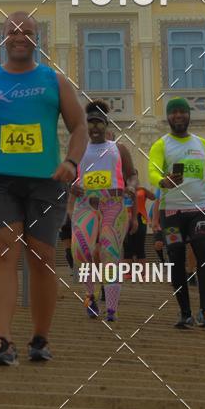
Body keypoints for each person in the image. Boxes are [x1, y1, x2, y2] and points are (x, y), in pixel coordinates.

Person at [0, 11, 88, 365]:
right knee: (1, 252)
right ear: (3, 38)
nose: (19, 37)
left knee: (42, 257)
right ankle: (2, 340)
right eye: (13, 32)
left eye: (26, 32)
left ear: (35, 39)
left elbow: (80, 127)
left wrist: (71, 163)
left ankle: (40, 339)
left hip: (47, 181)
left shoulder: (54, 81)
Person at [148, 96, 205, 330]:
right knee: (176, 259)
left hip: (200, 208)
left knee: (204, 253)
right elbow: (153, 172)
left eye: (182, 112)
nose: (178, 116)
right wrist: (163, 182)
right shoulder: (161, 145)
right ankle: (185, 313)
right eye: (174, 112)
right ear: (168, 117)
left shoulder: (202, 144)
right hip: (172, 211)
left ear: (188, 116)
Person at [69, 100, 137, 323]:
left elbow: (132, 174)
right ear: (85, 125)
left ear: (106, 124)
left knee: (110, 254)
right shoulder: (78, 149)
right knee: (81, 250)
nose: (95, 127)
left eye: (99, 122)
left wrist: (131, 187)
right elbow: (67, 176)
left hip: (113, 204)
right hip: (85, 203)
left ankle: (112, 309)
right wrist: (71, 185)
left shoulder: (119, 149)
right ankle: (90, 296)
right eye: (91, 123)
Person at [123, 175, 156, 276]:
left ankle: (142, 272)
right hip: (124, 218)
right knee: (127, 245)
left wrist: (144, 189)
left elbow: (153, 197)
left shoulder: (142, 190)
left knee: (140, 244)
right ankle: (128, 272)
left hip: (140, 217)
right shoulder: (122, 190)